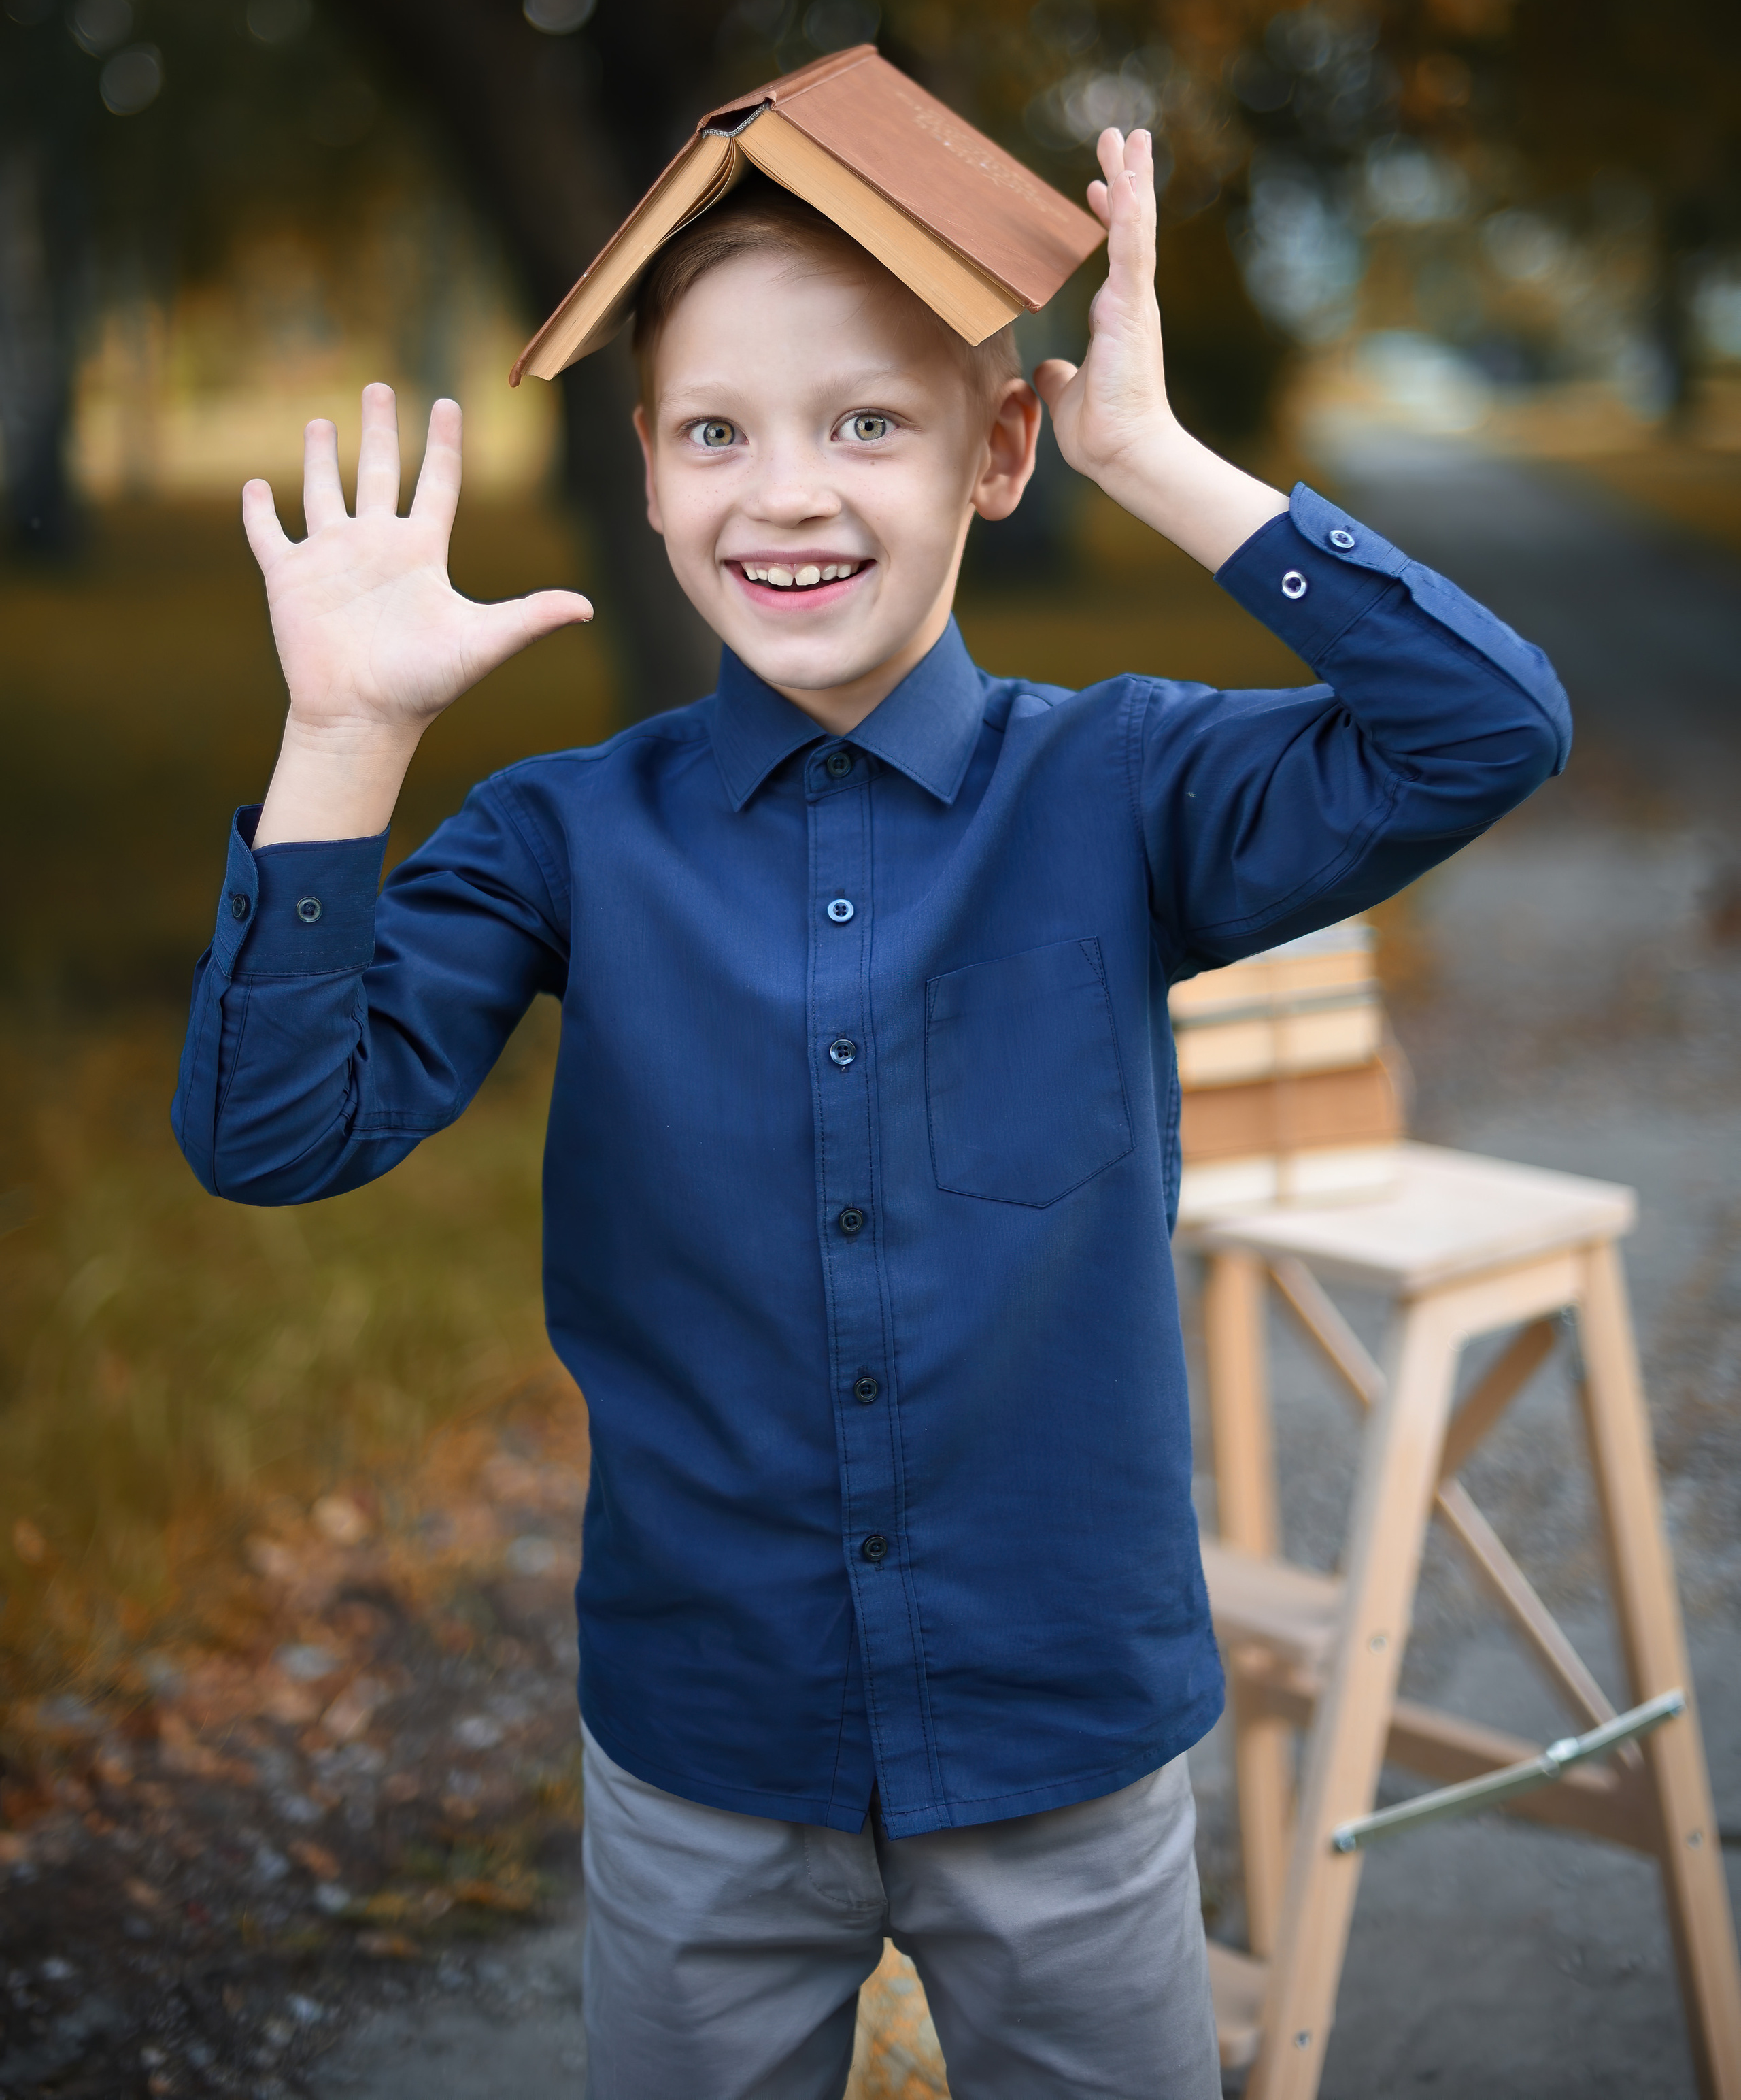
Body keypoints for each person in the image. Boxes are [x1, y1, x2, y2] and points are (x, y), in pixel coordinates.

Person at [173, 127, 1569, 2099]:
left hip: (1063, 1739)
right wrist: (344, 738)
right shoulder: (563, 834)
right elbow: (272, 1129)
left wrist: (1158, 461)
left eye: (867, 425)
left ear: (996, 455)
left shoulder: (1120, 788)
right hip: (707, 1754)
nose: (791, 491)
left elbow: (1488, 727)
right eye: (717, 434)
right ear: (648, 473)